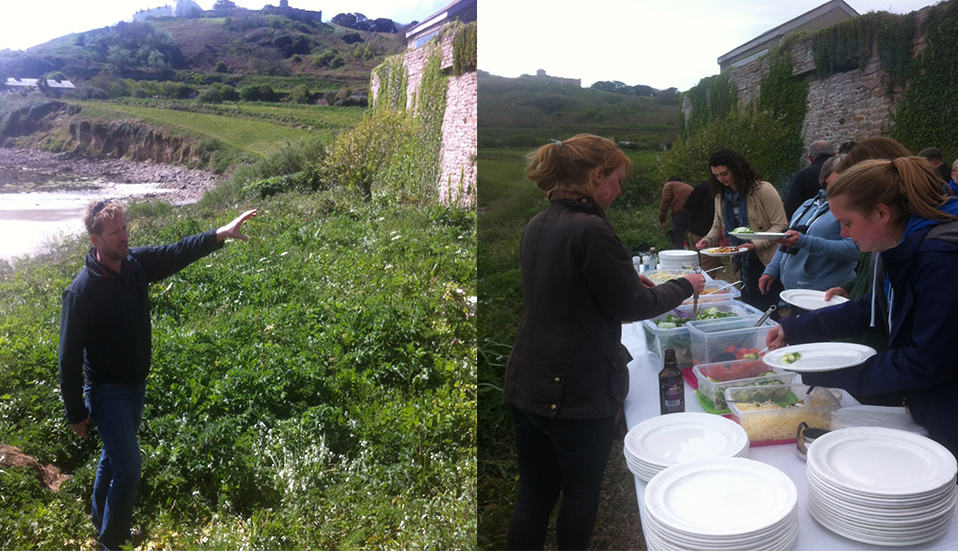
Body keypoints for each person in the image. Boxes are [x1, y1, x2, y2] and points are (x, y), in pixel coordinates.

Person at [503, 134, 705, 550]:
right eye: (616, 181)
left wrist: (629, 281)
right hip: (576, 390)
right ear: (597, 177)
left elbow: (572, 291)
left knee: (534, 496)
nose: (617, 191)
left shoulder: (539, 223)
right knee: (579, 495)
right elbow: (632, 304)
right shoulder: (592, 229)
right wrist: (687, 284)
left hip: (528, 380)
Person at [58, 200, 258, 550]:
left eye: (125, 227)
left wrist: (220, 234)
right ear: (94, 238)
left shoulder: (135, 264)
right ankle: (110, 542)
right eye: (115, 232)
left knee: (114, 457)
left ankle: (101, 520)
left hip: (136, 385)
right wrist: (76, 411)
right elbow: (68, 357)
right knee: (129, 467)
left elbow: (177, 251)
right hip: (106, 391)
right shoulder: (81, 291)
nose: (124, 236)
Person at [766, 157, 958, 459]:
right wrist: (794, 328)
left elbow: (928, 360)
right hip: (929, 405)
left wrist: (827, 372)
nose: (844, 234)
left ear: (881, 213)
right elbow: (875, 308)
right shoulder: (903, 244)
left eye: (847, 223)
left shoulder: (939, 259)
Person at [695, 148, 788, 311]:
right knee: (749, 303)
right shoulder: (721, 195)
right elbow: (717, 225)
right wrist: (707, 240)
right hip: (742, 257)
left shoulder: (763, 189)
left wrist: (754, 244)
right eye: (716, 176)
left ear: (737, 169)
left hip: (767, 259)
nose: (721, 179)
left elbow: (780, 226)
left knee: (767, 305)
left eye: (724, 174)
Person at [823, 136, 912, 302]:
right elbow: (870, 275)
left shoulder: (927, 250)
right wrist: (851, 288)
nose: (843, 233)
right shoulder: (881, 229)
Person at [758, 155, 859, 298]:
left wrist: (804, 241)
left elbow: (855, 250)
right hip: (794, 291)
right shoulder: (808, 204)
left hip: (825, 294)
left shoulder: (853, 208)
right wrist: (771, 270)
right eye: (842, 172)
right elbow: (787, 241)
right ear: (826, 177)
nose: (848, 177)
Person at [783, 140, 835, 218]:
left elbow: (790, 208)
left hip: (810, 221)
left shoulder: (803, 175)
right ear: (834, 155)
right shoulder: (848, 171)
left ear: (810, 158)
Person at [657, 175, 693, 249]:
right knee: (693, 236)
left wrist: (662, 219)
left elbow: (665, 202)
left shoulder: (669, 185)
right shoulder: (688, 186)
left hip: (680, 212)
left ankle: (677, 257)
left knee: (677, 237)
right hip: (695, 212)